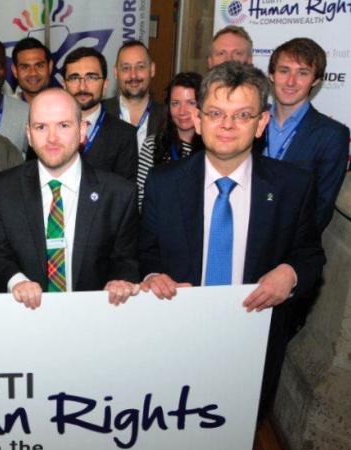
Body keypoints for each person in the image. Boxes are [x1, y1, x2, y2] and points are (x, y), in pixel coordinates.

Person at [139, 61, 325, 418]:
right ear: (197, 120)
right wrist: (151, 276)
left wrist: (291, 273)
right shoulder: (163, 183)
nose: (226, 125)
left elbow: (310, 254)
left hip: (252, 343)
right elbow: (146, 251)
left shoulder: (292, 186)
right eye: (215, 113)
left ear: (261, 124)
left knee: (237, 446)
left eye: (242, 115)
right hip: (174, 338)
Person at [0, 88, 140, 309]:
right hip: (26, 319)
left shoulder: (118, 194)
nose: (52, 138)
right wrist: (17, 282)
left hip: (95, 321)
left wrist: (121, 280)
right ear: (28, 134)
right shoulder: (4, 187)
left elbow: (127, 260)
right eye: (41, 127)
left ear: (83, 130)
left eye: (64, 125)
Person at [260, 37, 350, 231]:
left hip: (289, 250)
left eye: (302, 73)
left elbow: (321, 208)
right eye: (284, 71)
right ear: (272, 75)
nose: (291, 81)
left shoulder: (333, 136)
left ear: (316, 80)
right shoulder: (250, 120)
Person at [62, 46, 138, 182]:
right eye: (74, 78)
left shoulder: (124, 135)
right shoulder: (45, 129)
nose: (82, 86)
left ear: (105, 84)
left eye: (91, 77)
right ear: (64, 84)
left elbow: (124, 196)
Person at [137, 72, 204, 206]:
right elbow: (141, 199)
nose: (182, 111)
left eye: (191, 103)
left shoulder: (213, 147)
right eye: (175, 103)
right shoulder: (153, 145)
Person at [103, 41, 167, 152]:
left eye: (140, 67)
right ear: (115, 72)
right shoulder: (101, 113)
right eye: (126, 68)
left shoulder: (168, 117)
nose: (133, 75)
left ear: (152, 69)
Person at [11, 37, 53, 104]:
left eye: (39, 66)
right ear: (15, 71)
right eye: (25, 67)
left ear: (50, 67)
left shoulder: (66, 105)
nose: (33, 73)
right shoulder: (4, 108)